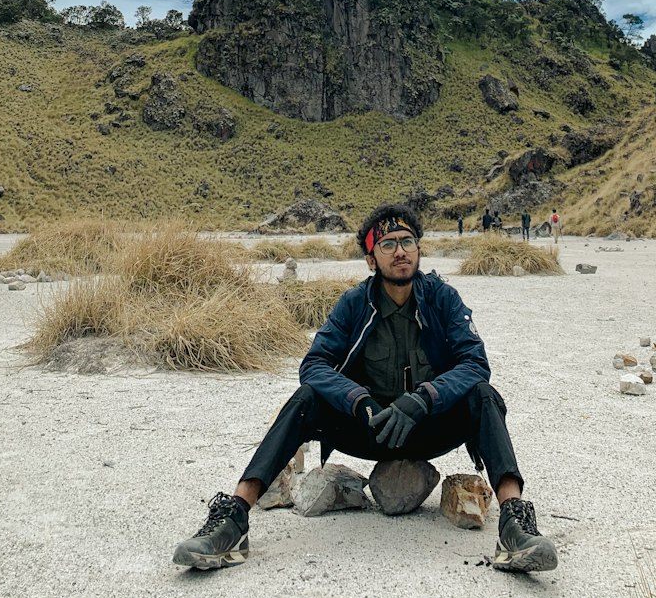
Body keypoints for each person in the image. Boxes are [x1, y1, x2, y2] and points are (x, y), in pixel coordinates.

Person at [172, 202, 558, 575]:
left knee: (484, 396)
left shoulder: (442, 299)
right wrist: (359, 402)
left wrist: (424, 399)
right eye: (387, 245)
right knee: (306, 399)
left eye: (407, 242)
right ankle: (234, 517)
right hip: (369, 428)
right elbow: (314, 365)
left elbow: (475, 363)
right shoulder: (355, 303)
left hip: (428, 427)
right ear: (372, 259)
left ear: (418, 250)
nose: (400, 251)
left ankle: (515, 523)